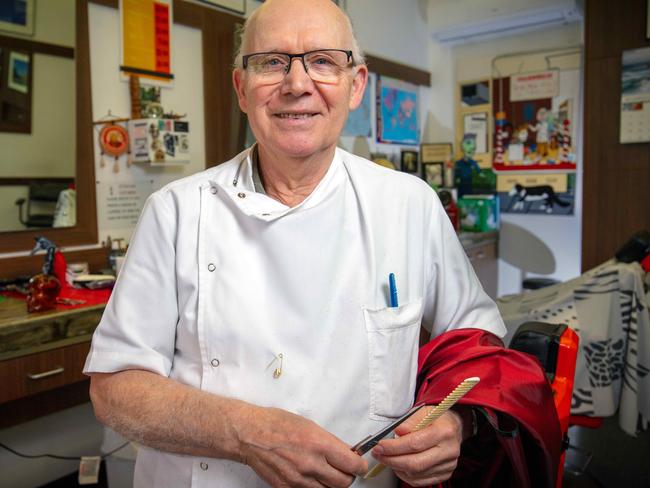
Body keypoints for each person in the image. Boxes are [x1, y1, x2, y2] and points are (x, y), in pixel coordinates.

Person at [84, 0, 505, 487]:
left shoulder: (409, 205)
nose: (298, 84)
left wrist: (455, 422)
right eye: (271, 62)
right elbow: (113, 391)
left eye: (324, 61)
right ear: (242, 89)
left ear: (356, 86)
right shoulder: (177, 211)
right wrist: (246, 432)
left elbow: (478, 345)